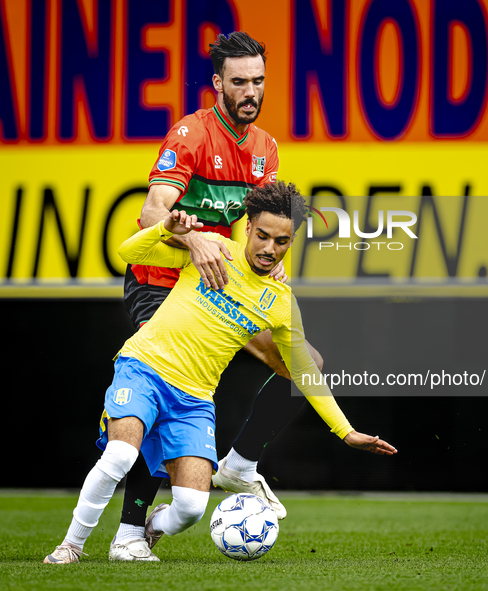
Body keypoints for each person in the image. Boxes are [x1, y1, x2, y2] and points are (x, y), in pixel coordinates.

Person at [43, 182, 397, 565]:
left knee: (193, 507)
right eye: (262, 235)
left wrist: (346, 431)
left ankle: (150, 527)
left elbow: (304, 369)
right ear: (247, 227)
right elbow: (127, 252)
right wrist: (168, 231)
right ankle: (70, 546)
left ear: (291, 241)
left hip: (193, 400)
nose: (268, 248)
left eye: (281, 241)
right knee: (118, 458)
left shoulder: (280, 302)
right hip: (144, 369)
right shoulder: (213, 251)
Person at [115, 31, 317, 561]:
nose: (251, 91)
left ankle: (241, 465)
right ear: (217, 84)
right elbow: (156, 210)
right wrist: (194, 235)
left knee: (306, 365)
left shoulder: (266, 148)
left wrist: (272, 278)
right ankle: (131, 531)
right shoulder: (189, 134)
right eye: (240, 82)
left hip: (224, 287)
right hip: (162, 286)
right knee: (160, 395)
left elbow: (263, 224)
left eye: (258, 82)